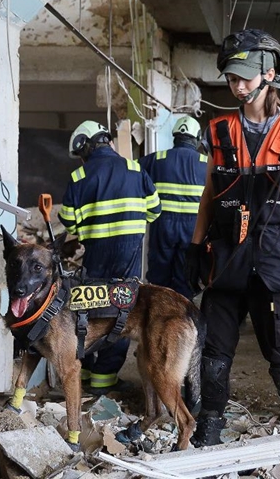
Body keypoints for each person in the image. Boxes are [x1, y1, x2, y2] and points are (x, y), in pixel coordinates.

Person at [183, 28, 280, 471]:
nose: (236, 85)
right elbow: (210, 194)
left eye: (243, 76)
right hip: (226, 258)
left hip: (275, 259)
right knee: (214, 358)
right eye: (230, 78)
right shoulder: (218, 130)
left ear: (268, 74)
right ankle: (209, 429)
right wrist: (194, 246)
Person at [58, 120, 161, 394]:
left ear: (85, 148)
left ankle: (86, 371)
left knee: (89, 311)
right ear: (107, 141)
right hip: (128, 258)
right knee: (121, 311)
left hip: (96, 257)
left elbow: (69, 223)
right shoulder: (136, 169)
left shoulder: (79, 177)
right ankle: (105, 378)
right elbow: (155, 210)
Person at [139, 116, 208, 300]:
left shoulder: (156, 159)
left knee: (159, 275)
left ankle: (156, 310)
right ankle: (180, 313)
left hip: (163, 225)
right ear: (197, 138)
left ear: (175, 136)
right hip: (193, 228)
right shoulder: (206, 163)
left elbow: (131, 175)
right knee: (185, 275)